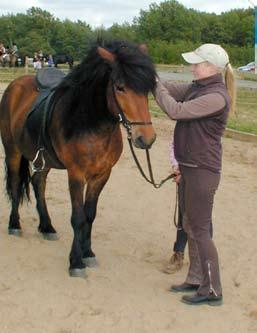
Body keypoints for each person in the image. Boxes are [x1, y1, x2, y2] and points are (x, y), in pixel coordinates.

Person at [154, 44, 236, 306]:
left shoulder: (216, 96)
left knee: (200, 230)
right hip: (189, 167)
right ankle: (195, 277)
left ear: (211, 68)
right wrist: (149, 76)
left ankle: (213, 289)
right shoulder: (197, 87)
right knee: (190, 225)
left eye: (197, 63)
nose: (192, 66)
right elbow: (166, 88)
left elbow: (175, 110)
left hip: (203, 171)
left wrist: (153, 85)